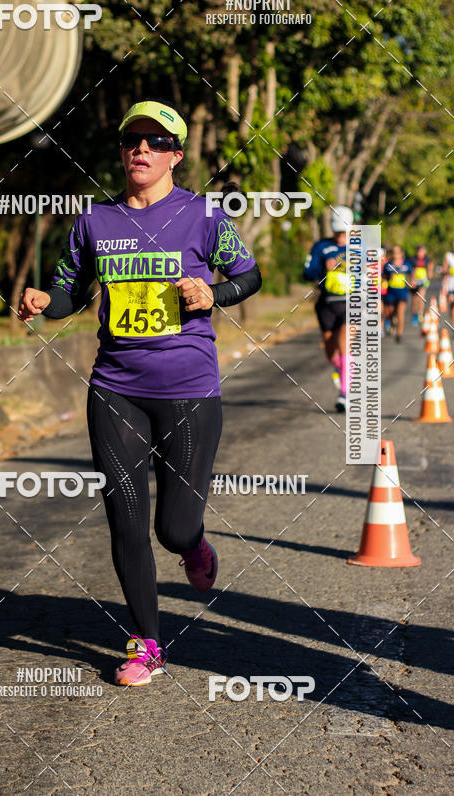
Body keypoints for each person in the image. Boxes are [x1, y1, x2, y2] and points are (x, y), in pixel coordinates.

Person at [18, 100, 261, 687]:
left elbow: (249, 276)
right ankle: (146, 642)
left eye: (155, 142)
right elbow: (69, 288)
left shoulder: (202, 216)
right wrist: (46, 303)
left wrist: (213, 294)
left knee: (172, 530)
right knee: (125, 523)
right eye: (132, 142)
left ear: (176, 155)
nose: (141, 151)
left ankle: (195, 546)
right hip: (115, 389)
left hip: (189, 390)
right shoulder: (94, 221)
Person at [303, 205, 354, 412]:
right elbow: (307, 272)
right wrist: (323, 268)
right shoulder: (321, 247)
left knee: (345, 344)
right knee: (331, 352)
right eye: (337, 232)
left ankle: (344, 394)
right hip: (326, 304)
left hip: (351, 303)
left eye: (344, 232)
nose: (341, 237)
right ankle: (342, 371)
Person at [383, 245, 412, 342]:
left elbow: (412, 273)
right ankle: (392, 321)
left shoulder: (406, 264)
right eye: (394, 253)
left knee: (400, 313)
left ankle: (399, 334)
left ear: (401, 253)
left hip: (402, 293)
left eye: (397, 252)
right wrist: (387, 279)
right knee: (390, 312)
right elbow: (383, 277)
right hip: (391, 293)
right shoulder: (388, 265)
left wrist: (412, 282)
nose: (396, 255)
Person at [410, 244, 433, 326]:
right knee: (415, 299)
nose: (421, 253)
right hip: (415, 281)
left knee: (421, 296)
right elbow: (411, 270)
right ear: (417, 252)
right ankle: (414, 314)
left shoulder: (427, 259)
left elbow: (430, 266)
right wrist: (412, 280)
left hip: (423, 280)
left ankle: (420, 314)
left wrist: (430, 273)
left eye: (423, 251)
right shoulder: (413, 259)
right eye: (419, 251)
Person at [441, 239, 454, 325]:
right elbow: (443, 270)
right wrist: (449, 271)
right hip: (451, 285)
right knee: (453, 306)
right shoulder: (448, 256)